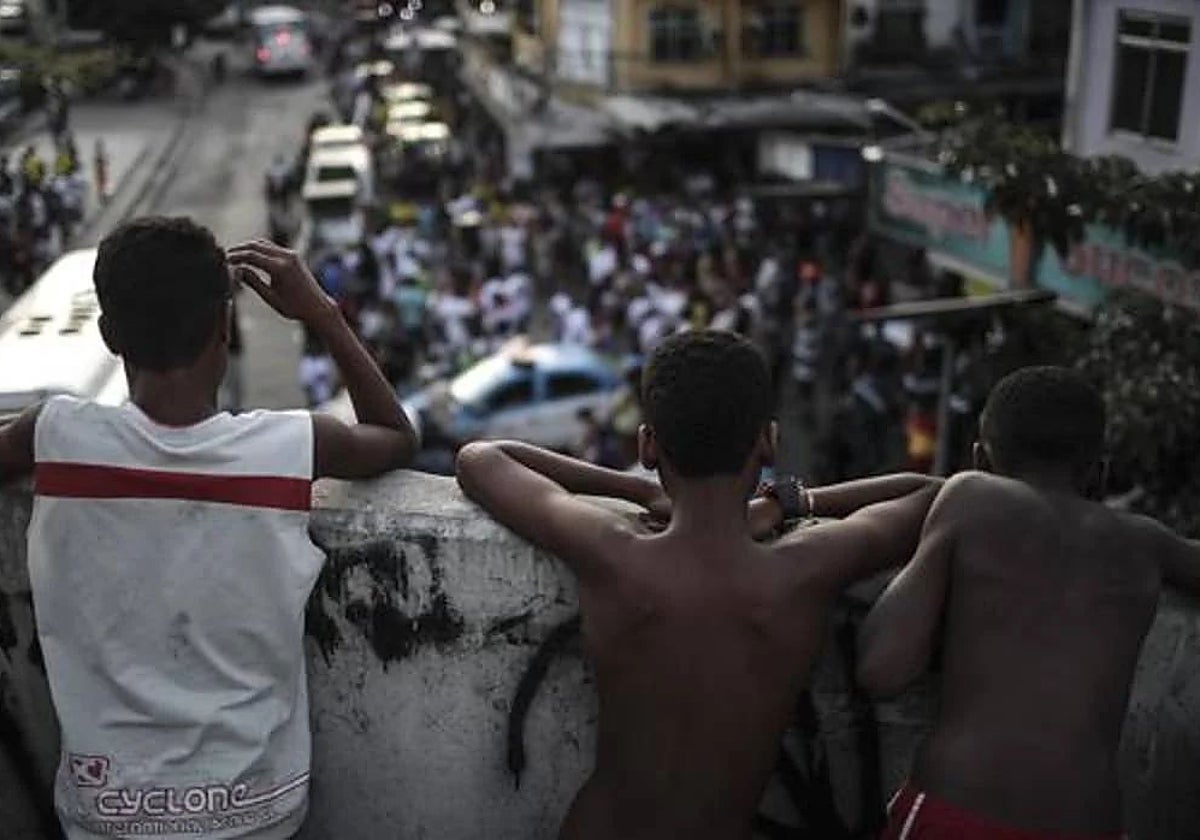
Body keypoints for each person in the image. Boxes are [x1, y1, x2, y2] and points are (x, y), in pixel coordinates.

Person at [0, 219, 418, 839]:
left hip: (106, 816)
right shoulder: (290, 444)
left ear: (110, 334)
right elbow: (397, 437)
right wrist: (323, 314)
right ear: (225, 329)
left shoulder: (55, 434)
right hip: (260, 811)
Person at [456, 330, 942, 840]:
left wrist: (637, 489)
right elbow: (932, 496)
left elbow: (482, 459)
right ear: (770, 442)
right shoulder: (804, 570)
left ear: (647, 445)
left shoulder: (612, 551)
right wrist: (785, 504)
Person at [858, 366, 1200, 840]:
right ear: (1099, 475)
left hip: (953, 812)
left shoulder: (968, 496)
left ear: (979, 459)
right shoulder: (1148, 544)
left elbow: (883, 668)